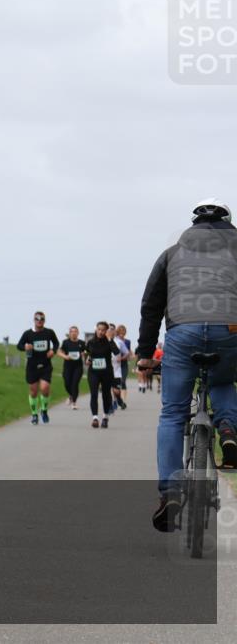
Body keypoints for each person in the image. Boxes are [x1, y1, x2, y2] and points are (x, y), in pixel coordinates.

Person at [136, 199, 237, 532]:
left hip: (182, 333)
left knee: (173, 413)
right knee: (224, 380)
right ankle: (227, 431)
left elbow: (151, 306)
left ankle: (170, 492)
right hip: (230, 331)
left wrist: (146, 354)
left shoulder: (172, 252)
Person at [15, 311, 61, 424]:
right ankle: (34, 414)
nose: (39, 321)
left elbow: (56, 343)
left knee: (45, 388)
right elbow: (19, 346)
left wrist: (53, 351)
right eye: (37, 319)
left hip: (45, 364)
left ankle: (44, 410)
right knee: (33, 391)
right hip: (32, 366)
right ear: (34, 320)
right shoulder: (28, 334)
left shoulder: (49, 332)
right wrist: (25, 346)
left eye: (41, 319)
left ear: (44, 321)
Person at [84, 321, 119, 428]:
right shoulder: (91, 342)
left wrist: (109, 339)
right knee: (94, 393)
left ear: (106, 331)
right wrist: (87, 359)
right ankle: (95, 418)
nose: (100, 332)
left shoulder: (109, 342)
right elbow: (86, 353)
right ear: (96, 330)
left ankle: (105, 417)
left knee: (106, 394)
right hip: (93, 372)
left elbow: (116, 352)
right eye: (99, 329)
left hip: (106, 372)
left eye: (103, 330)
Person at [58, 326, 86, 410]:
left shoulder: (82, 343)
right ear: (69, 333)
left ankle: (74, 402)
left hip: (78, 366)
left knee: (75, 384)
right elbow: (59, 352)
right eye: (72, 331)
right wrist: (65, 356)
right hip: (68, 366)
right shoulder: (65, 342)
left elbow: (86, 352)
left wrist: (84, 354)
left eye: (75, 331)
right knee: (67, 383)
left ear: (78, 333)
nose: (73, 333)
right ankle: (71, 395)